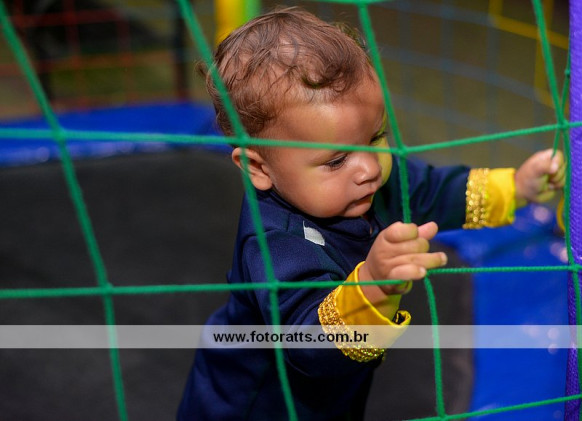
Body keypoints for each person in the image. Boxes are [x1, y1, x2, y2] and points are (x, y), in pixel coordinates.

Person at [177, 7, 566, 420]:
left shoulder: (370, 178)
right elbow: (309, 346)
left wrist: (516, 187)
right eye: (336, 160)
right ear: (259, 168)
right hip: (252, 405)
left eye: (376, 136)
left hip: (335, 394)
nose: (368, 168)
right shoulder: (274, 240)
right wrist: (372, 287)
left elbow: (437, 190)